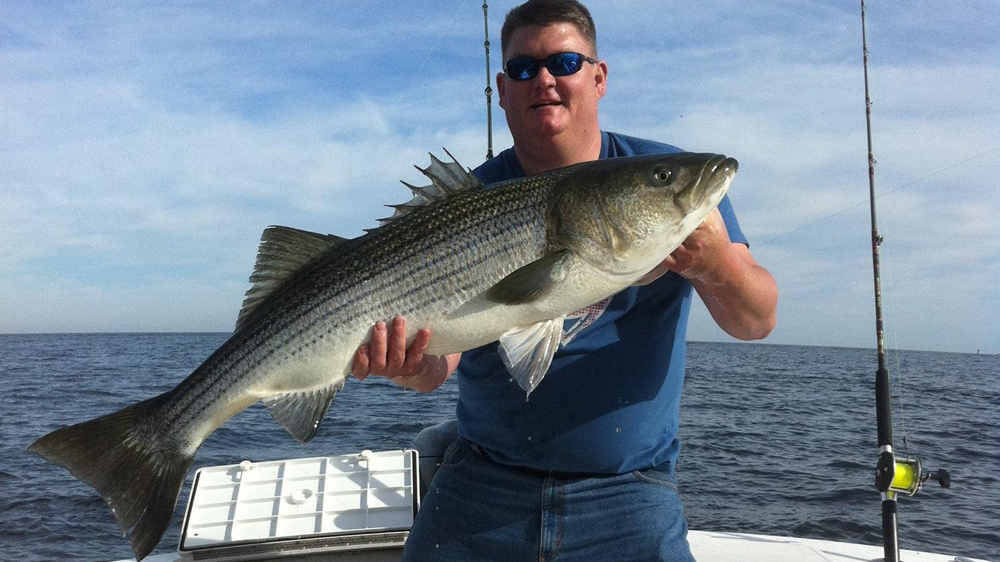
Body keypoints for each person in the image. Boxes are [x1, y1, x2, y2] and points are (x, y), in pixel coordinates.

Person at [352, 1, 778, 560]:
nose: (545, 80)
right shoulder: (469, 202)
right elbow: (440, 365)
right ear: (503, 91)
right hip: (483, 482)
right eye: (524, 69)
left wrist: (716, 262)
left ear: (598, 78)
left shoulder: (660, 175)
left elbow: (756, 320)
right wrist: (407, 367)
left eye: (565, 62)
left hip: (628, 490)